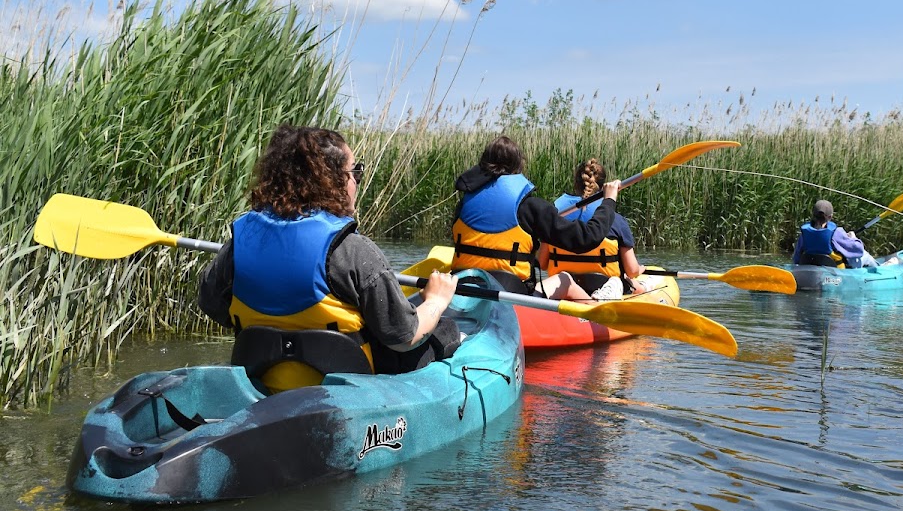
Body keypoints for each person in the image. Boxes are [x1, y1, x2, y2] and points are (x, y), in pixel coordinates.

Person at [198, 124, 460, 393]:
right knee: (445, 330)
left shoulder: (238, 245)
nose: (357, 181)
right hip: (346, 390)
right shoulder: (352, 250)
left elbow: (211, 304)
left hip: (263, 380)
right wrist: (436, 301)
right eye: (354, 172)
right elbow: (404, 336)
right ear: (332, 181)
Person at [449, 136, 623, 300]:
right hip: (511, 298)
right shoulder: (530, 207)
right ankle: (595, 316)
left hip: (463, 291)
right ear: (518, 167)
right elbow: (586, 238)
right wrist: (608, 200)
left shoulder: (463, 205)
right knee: (564, 279)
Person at [539, 158, 646, 299]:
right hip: (602, 285)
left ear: (575, 183)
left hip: (562, 286)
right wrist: (641, 269)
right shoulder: (616, 221)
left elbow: (542, 263)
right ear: (603, 188)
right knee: (640, 287)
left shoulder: (556, 218)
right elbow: (632, 271)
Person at [792, 199, 878, 268]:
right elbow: (858, 250)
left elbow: (796, 257)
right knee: (865, 255)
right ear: (830, 217)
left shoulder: (805, 232)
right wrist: (853, 238)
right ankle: (880, 272)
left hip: (810, 267)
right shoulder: (836, 232)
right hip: (835, 271)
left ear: (813, 214)